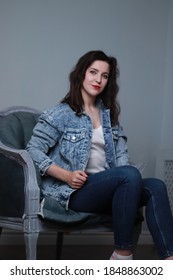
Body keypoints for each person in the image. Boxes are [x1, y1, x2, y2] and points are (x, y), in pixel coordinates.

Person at [26, 50, 173, 260]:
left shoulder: (109, 116)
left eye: (104, 76)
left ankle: (169, 260)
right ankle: (122, 255)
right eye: (93, 72)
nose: (98, 79)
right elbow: (33, 150)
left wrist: (128, 179)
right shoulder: (61, 114)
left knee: (156, 185)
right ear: (81, 74)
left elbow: (122, 161)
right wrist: (65, 175)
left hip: (111, 187)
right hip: (75, 191)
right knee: (128, 175)